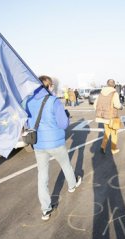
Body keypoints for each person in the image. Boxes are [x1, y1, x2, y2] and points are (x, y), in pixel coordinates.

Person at [25, 75, 82, 221]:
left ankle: (46, 209)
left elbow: (27, 122)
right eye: (51, 86)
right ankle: (72, 185)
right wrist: (66, 116)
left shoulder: (28, 101)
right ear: (49, 86)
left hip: (39, 144)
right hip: (55, 142)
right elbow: (63, 124)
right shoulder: (53, 101)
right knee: (65, 165)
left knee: (42, 176)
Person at [94, 79, 123, 155]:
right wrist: (121, 107)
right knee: (114, 134)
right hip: (112, 117)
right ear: (114, 85)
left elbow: (95, 105)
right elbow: (117, 105)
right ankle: (113, 149)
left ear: (107, 84)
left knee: (107, 132)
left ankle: (103, 146)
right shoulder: (114, 93)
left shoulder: (101, 93)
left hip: (103, 118)